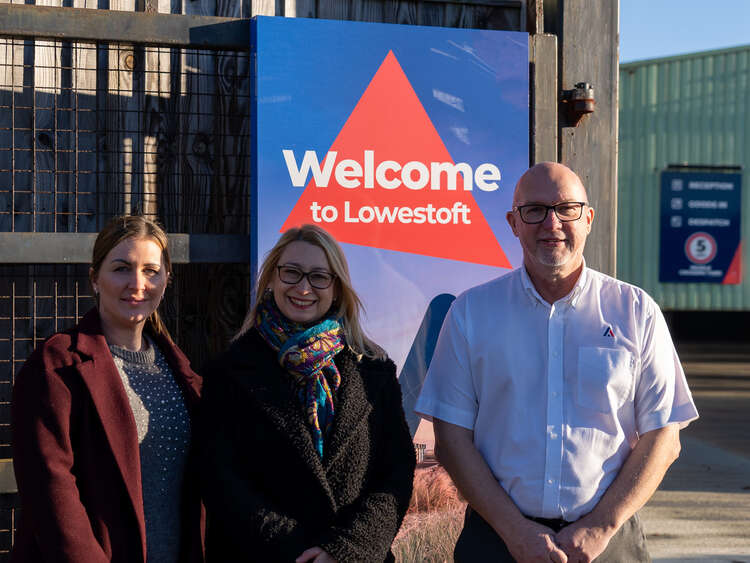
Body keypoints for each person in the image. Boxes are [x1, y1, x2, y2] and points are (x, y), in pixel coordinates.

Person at [415, 162, 698, 563]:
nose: (552, 222)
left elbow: (665, 437)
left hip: (609, 542)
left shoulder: (635, 312)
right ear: (514, 223)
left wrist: (601, 526)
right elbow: (450, 438)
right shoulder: (471, 314)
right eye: (534, 210)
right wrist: (515, 532)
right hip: (495, 541)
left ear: (588, 218)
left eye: (566, 208)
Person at [199, 224, 415, 563]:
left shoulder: (374, 371)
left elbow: (396, 471)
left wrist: (346, 550)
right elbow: (221, 479)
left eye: (319, 277)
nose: (303, 288)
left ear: (337, 288)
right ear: (271, 278)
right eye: (291, 273)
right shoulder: (228, 373)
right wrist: (298, 552)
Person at [11, 215, 204, 563]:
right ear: (95, 279)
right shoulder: (57, 365)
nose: (137, 283)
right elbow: (50, 490)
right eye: (121, 268)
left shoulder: (181, 373)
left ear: (167, 280)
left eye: (150, 270)